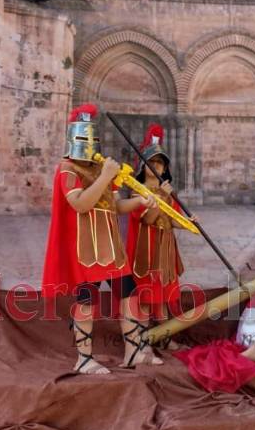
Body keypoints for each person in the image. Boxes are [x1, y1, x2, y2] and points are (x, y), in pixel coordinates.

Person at [41, 104, 163, 374]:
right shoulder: (67, 169)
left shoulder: (98, 168)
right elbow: (82, 204)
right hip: (85, 249)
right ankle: (84, 359)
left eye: (92, 137)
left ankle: (135, 352)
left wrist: (141, 202)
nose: (90, 143)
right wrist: (106, 175)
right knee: (87, 301)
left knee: (129, 295)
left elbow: (115, 206)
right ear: (75, 137)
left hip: (111, 246)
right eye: (84, 137)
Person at [125, 123, 193, 349]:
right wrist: (162, 197)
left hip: (165, 251)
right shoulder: (137, 192)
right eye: (151, 162)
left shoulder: (168, 193)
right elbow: (148, 219)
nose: (155, 166)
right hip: (146, 252)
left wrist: (188, 224)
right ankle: (143, 339)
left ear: (165, 169)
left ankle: (164, 337)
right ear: (143, 167)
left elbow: (173, 219)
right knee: (146, 298)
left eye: (159, 163)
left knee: (162, 299)